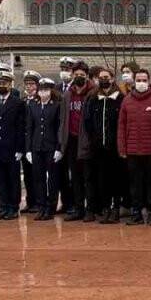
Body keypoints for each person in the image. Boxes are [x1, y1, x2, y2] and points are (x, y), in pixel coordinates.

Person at [118, 70, 151, 226]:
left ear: (149, 81)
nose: (141, 82)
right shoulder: (126, 100)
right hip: (132, 150)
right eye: (138, 80)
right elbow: (122, 126)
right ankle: (136, 212)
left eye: (144, 79)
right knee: (135, 184)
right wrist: (122, 148)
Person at [82, 67, 123, 224]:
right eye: (101, 78)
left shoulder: (120, 98)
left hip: (115, 147)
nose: (104, 80)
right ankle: (105, 208)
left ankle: (115, 208)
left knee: (116, 179)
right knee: (102, 179)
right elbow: (87, 121)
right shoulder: (93, 98)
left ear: (112, 79)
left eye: (107, 77)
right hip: (98, 147)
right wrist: (93, 139)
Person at [0, 69, 25, 220]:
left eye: (4, 83)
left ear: (10, 85)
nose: (1, 85)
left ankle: (13, 208)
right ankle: (3, 207)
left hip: (11, 148)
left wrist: (20, 149)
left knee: (12, 180)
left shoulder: (17, 103)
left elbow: (20, 127)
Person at [25, 77, 62, 220]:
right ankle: (41, 206)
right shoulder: (32, 105)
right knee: (38, 178)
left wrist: (59, 148)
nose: (43, 93)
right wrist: (28, 149)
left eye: (46, 90)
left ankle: (50, 208)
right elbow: (29, 128)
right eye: (41, 90)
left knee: (52, 179)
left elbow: (59, 127)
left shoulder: (56, 105)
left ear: (51, 91)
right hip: (36, 147)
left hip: (51, 147)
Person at [59, 62, 93, 220]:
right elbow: (63, 119)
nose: (78, 77)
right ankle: (78, 208)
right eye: (76, 74)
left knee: (88, 176)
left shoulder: (92, 93)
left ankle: (91, 209)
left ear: (86, 75)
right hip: (71, 140)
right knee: (76, 177)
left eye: (82, 74)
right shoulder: (67, 95)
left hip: (86, 140)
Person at [19, 71, 42, 214]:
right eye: (27, 84)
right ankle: (30, 201)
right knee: (27, 175)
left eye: (32, 84)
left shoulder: (40, 101)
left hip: (36, 143)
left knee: (37, 175)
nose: (29, 87)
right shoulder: (22, 101)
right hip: (24, 144)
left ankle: (39, 202)